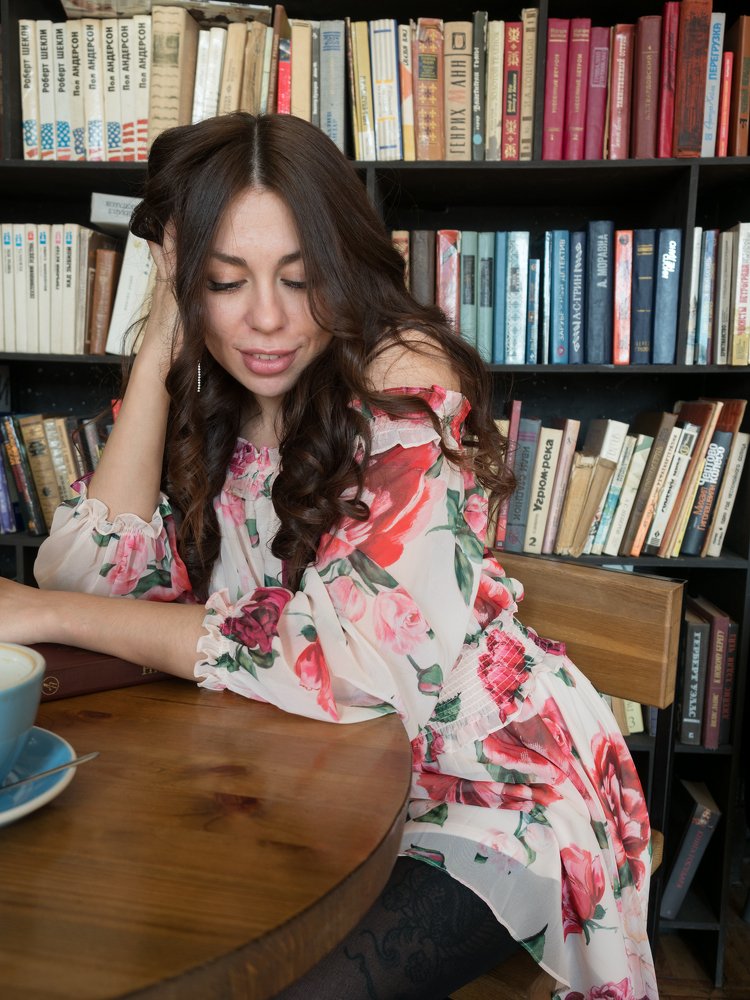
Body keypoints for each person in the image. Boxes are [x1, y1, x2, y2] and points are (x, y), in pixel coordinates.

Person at [0, 113, 656, 999]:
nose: (267, 318)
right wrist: (162, 335)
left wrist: (44, 613)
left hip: (488, 783)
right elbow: (95, 575)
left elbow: (349, 657)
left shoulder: (403, 376)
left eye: (300, 278)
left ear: (343, 268)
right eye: (224, 280)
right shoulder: (218, 383)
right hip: (318, 773)